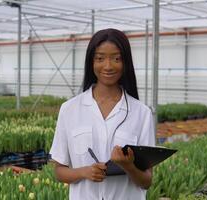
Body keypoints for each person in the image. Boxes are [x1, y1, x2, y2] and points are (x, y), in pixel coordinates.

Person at [50, 28, 155, 200]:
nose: (108, 66)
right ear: (92, 62)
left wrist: (128, 166)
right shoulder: (69, 109)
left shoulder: (141, 113)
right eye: (100, 58)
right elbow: (59, 171)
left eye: (116, 58)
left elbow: (146, 182)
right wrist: (84, 172)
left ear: (125, 62)